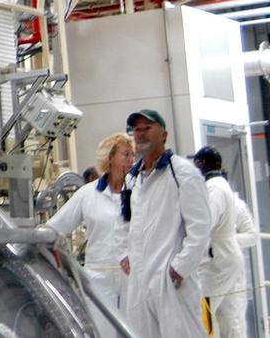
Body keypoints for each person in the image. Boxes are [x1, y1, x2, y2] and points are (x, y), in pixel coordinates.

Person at [115, 109, 211, 338]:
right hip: (139, 282)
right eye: (137, 129)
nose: (141, 134)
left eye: (147, 128)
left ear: (164, 134)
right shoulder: (133, 179)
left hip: (170, 281)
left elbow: (201, 227)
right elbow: (123, 221)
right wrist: (122, 254)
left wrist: (180, 268)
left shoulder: (182, 173)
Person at [45, 133, 133, 334]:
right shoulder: (88, 194)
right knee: (102, 332)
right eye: (126, 154)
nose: (131, 160)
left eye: (132, 155)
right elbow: (55, 227)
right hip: (98, 277)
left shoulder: (139, 192)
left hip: (132, 276)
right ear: (109, 158)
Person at [191, 146, 253, 338]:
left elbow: (206, 223)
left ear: (202, 163)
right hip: (224, 259)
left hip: (219, 262)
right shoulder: (218, 186)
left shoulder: (215, 188)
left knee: (204, 309)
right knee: (227, 317)